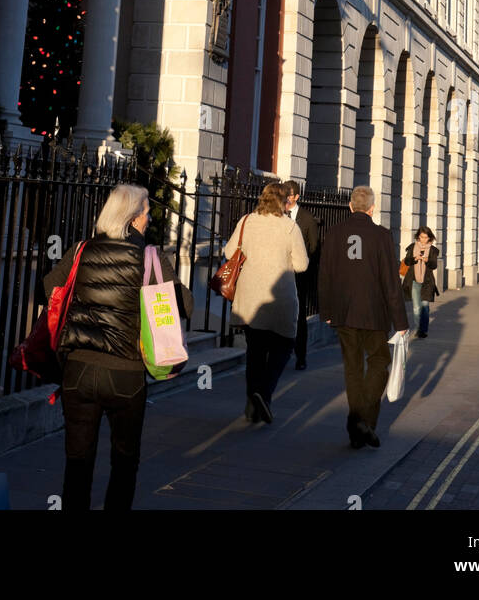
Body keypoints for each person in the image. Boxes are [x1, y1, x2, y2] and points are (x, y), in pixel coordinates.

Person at [47, 183, 192, 511]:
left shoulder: (81, 250)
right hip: (125, 374)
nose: (149, 218)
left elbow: (48, 287)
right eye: (146, 212)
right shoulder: (149, 258)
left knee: (77, 463)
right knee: (124, 464)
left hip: (78, 370)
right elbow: (186, 306)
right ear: (132, 218)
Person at [318, 185, 409, 450]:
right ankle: (365, 420)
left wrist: (326, 311)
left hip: (344, 312)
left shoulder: (334, 233)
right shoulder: (381, 235)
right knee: (380, 361)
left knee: (353, 366)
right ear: (372, 208)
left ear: (349, 206)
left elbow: (325, 276)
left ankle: (357, 424)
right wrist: (401, 322)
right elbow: (391, 282)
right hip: (373, 312)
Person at [223, 181, 308, 424]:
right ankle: (265, 392)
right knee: (283, 346)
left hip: (250, 298)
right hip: (280, 298)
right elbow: (302, 265)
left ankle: (252, 404)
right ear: (283, 201)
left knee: (256, 350)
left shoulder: (247, 221)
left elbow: (230, 253)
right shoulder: (290, 227)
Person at [284, 180, 320, 369]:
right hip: (280, 275)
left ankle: (300, 356)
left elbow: (314, 247)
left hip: (299, 276)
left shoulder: (306, 218)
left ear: (296, 197)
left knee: (298, 316)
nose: (285, 199)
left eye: (288, 195)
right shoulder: (278, 215)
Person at [401, 226, 438, 336]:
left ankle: (423, 330)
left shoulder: (433, 250)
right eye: (422, 237)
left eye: (426, 237)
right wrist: (414, 258)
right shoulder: (412, 247)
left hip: (427, 282)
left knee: (425, 306)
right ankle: (418, 329)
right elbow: (407, 262)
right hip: (414, 281)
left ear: (430, 238)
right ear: (418, 237)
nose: (423, 240)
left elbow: (434, 265)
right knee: (416, 307)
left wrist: (427, 260)